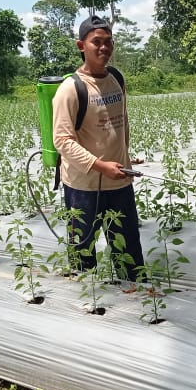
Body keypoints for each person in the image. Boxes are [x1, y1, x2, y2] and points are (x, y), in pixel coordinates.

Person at [52, 15, 144, 283]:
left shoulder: (116, 78)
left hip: (120, 182)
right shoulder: (71, 89)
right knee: (84, 256)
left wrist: (124, 156)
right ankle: (87, 302)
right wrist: (101, 166)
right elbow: (62, 140)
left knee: (129, 253)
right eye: (97, 42)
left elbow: (122, 121)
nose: (104, 47)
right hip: (84, 187)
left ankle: (135, 296)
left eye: (108, 41)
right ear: (81, 46)